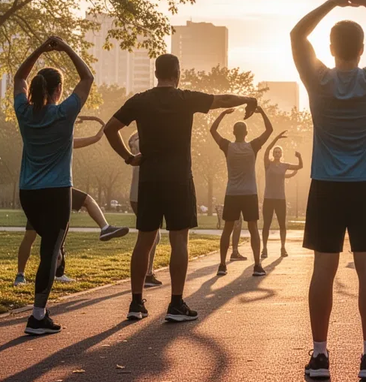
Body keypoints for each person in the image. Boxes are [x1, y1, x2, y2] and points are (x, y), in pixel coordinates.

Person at [293, 0, 366, 381]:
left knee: (323, 267)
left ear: (330, 47)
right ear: (361, 49)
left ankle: (320, 356)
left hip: (326, 183)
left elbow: (296, 34)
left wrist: (333, 1)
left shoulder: (318, 79)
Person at [104, 54, 257, 323]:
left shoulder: (140, 100)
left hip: (149, 180)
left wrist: (129, 157)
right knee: (179, 241)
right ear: (178, 74)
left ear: (156, 73)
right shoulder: (186, 98)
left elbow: (110, 129)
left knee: (144, 241)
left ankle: (136, 303)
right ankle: (176, 304)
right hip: (178, 180)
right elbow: (222, 99)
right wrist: (247, 99)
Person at [13, 36, 93, 335]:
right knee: (50, 251)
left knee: (51, 248)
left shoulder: (24, 112)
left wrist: (40, 49)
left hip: (28, 194)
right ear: (59, 90)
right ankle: (37, 316)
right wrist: (67, 47)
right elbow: (87, 78)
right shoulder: (64, 113)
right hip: (57, 192)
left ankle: (41, 312)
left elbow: (19, 77)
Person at [14, 116, 129, 286]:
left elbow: (71, 136)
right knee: (44, 233)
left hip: (39, 190)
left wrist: (94, 133)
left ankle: (30, 275)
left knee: (45, 233)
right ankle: (104, 228)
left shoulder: (38, 138)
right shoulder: (58, 140)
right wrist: (96, 134)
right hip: (54, 189)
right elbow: (79, 139)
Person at [212, 106, 273, 277]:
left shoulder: (227, 146)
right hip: (249, 192)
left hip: (232, 193)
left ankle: (222, 265)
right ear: (246, 132)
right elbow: (269, 130)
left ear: (233, 132)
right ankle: (257, 265)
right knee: (253, 228)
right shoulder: (253, 146)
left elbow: (213, 130)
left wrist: (222, 114)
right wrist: (262, 112)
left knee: (227, 229)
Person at [127, 132, 162, 287]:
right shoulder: (144, 140)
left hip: (138, 193)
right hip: (142, 192)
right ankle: (147, 274)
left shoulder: (136, 140)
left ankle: (147, 273)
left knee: (151, 235)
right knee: (151, 236)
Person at [261, 132, 304, 259]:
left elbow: (300, 166)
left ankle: (283, 247)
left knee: (282, 225)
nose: (277, 153)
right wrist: (276, 138)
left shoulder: (284, 166)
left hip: (280, 199)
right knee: (266, 224)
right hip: (268, 198)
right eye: (275, 152)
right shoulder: (268, 164)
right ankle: (264, 248)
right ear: (273, 154)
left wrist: (299, 157)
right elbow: (266, 150)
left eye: (279, 152)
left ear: (281, 154)